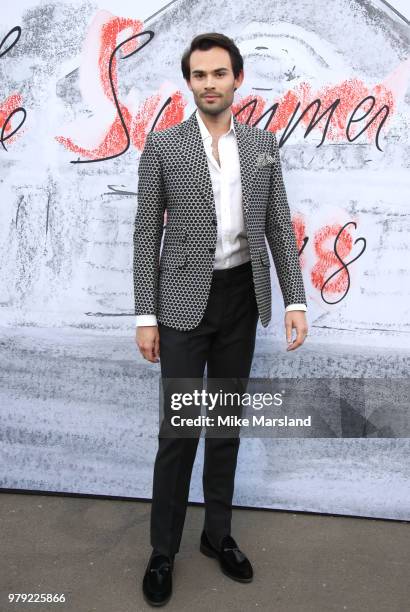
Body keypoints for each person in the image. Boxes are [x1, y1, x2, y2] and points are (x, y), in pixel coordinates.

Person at [133, 32, 308, 606]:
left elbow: (278, 226)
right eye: (200, 74)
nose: (210, 83)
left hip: (241, 298)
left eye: (219, 73)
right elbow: (144, 236)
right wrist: (145, 314)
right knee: (179, 431)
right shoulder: (163, 146)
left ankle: (217, 535)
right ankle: (163, 551)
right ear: (190, 81)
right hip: (183, 301)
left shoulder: (262, 145)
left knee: (225, 427)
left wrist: (296, 301)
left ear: (237, 79)